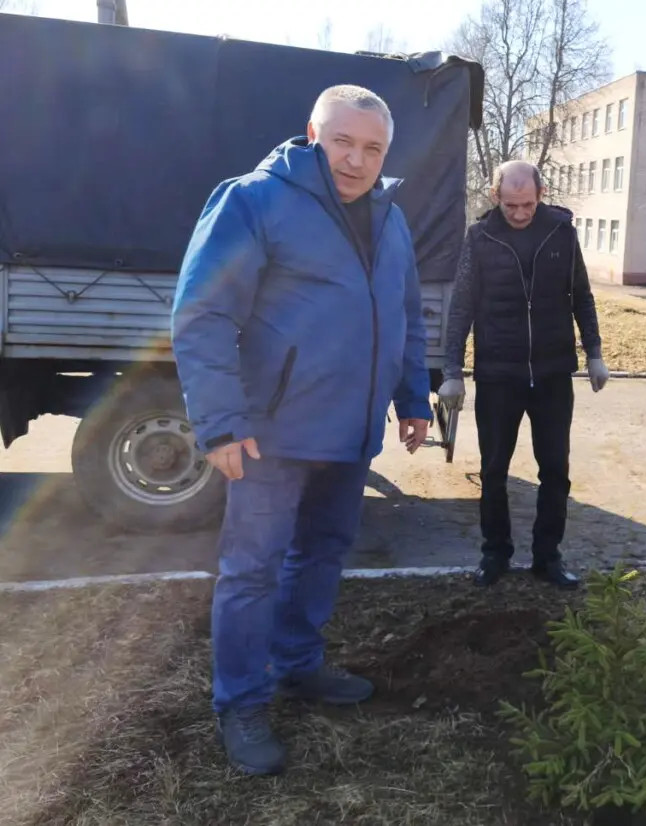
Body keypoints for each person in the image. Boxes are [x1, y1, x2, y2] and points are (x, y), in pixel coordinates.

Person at [171, 85, 431, 776]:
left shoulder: (390, 217)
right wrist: (221, 424)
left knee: (322, 551)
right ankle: (241, 702)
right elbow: (202, 316)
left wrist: (413, 397)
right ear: (312, 134)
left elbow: (405, 315)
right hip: (269, 437)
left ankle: (298, 664)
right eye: (344, 141)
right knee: (251, 570)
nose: (356, 159)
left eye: (372, 148)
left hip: (350, 435)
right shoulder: (254, 201)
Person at [437, 160, 609, 590]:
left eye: (527, 204)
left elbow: (582, 296)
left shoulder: (562, 233)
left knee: (555, 470)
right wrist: (452, 371)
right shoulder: (480, 237)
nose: (519, 214)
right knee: (494, 470)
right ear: (496, 196)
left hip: (552, 374)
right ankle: (495, 554)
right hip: (498, 374)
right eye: (510, 205)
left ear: (541, 192)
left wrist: (594, 352)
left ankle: (547, 557)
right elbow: (461, 306)